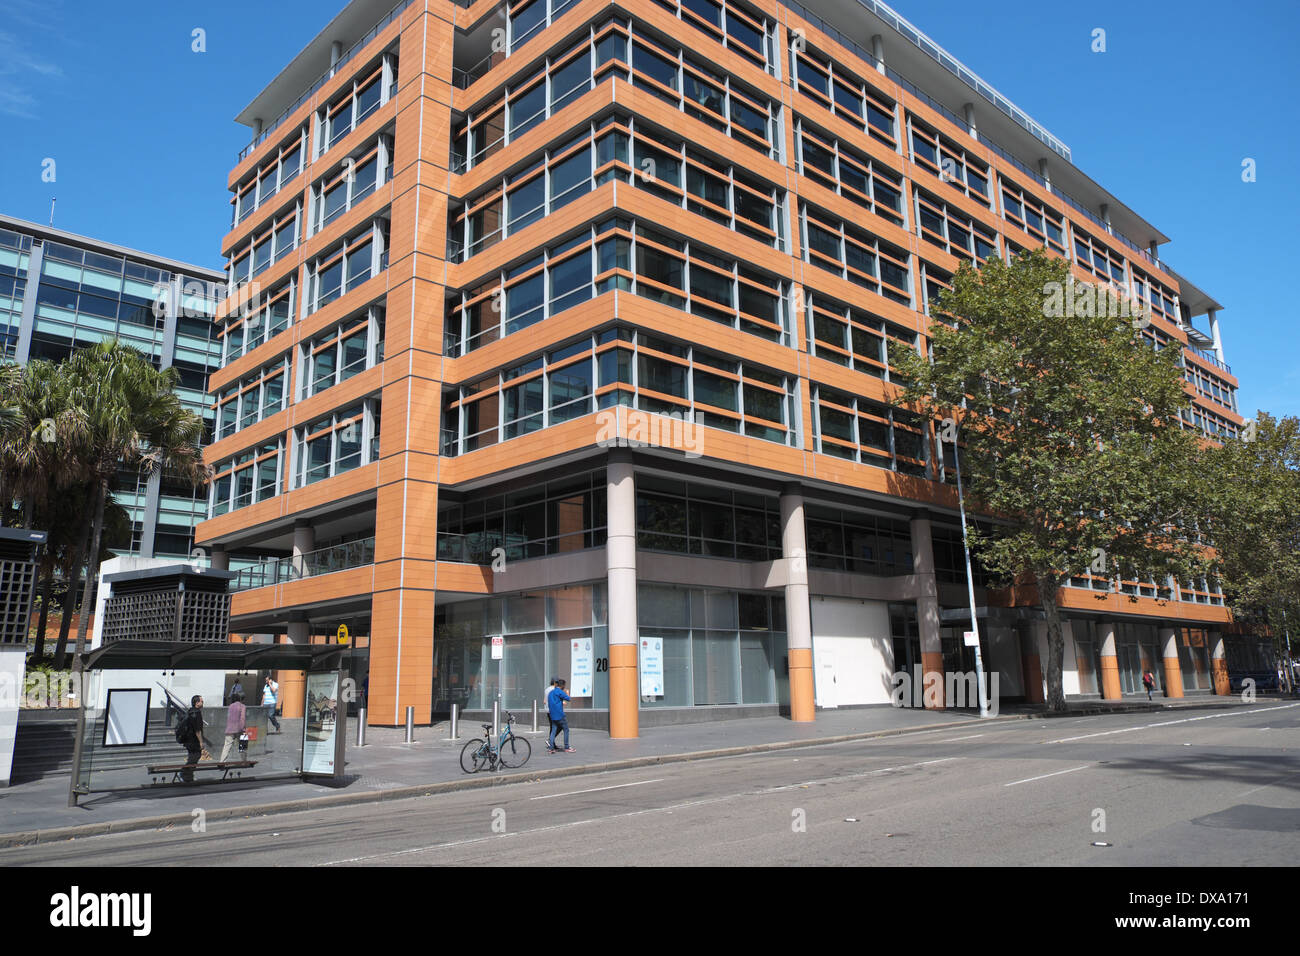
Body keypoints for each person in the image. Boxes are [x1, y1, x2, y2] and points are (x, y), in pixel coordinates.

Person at [179, 695, 210, 782]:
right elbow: (197, 730)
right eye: (201, 701)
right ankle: (184, 773)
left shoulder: (190, 711)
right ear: (197, 703)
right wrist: (201, 742)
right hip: (193, 741)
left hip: (188, 740)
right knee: (195, 756)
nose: (203, 703)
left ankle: (188, 776)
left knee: (192, 757)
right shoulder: (197, 713)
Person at [547, 678, 574, 754]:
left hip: (552, 715)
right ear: (563, 686)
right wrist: (567, 692)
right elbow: (569, 699)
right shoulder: (560, 692)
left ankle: (551, 748)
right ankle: (567, 747)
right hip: (560, 715)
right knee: (566, 730)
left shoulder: (551, 692)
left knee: (553, 730)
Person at [219, 692, 247, 762]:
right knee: (242, 745)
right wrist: (243, 729)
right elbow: (242, 718)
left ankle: (222, 761)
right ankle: (244, 761)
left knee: (227, 746)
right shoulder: (243, 706)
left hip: (229, 729)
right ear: (242, 699)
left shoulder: (231, 706)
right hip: (239, 729)